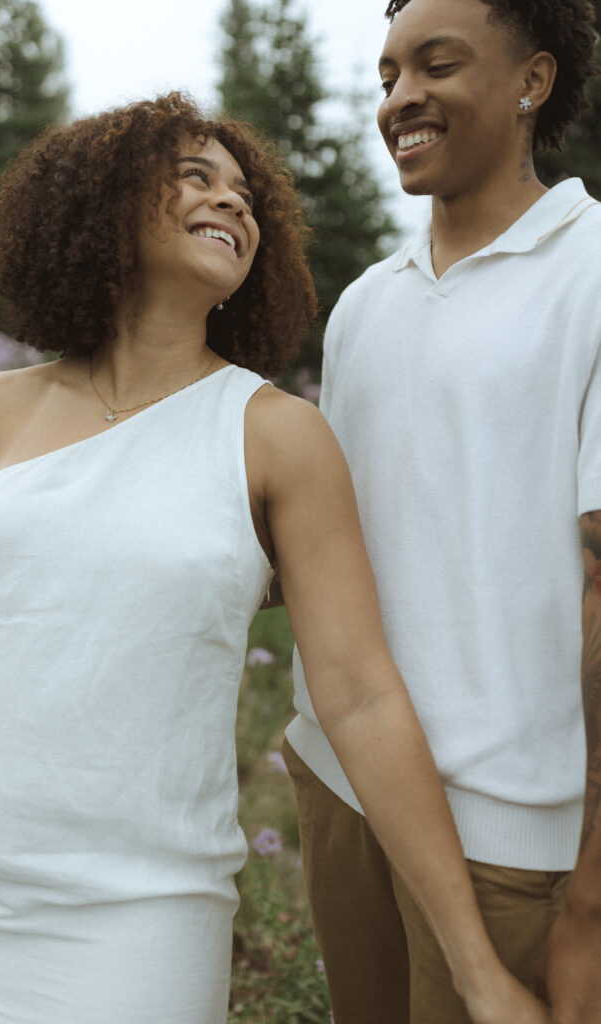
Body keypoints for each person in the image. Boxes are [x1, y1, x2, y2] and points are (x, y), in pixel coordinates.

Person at [0, 92, 550, 1024]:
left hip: (139, 915)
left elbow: (359, 695)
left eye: (247, 195)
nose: (235, 203)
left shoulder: (275, 435)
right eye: (195, 179)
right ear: (102, 205)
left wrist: (474, 966)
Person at [282, 1, 601, 1022]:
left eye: (435, 65)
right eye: (384, 77)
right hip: (340, 780)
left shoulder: (590, 271)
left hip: (506, 829)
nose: (400, 98)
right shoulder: (366, 301)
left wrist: (590, 897)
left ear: (531, 81)